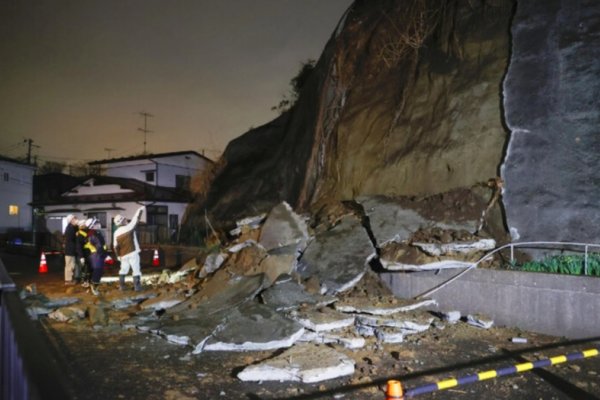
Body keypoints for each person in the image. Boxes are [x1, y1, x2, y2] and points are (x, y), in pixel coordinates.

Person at [113, 206, 145, 291]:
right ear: (123, 221)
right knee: (136, 269)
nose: (126, 220)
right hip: (133, 252)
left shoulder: (116, 233)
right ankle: (137, 287)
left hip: (123, 255)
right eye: (124, 219)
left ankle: (122, 286)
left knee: (123, 269)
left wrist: (118, 256)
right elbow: (136, 218)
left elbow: (115, 246)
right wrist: (140, 209)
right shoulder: (129, 227)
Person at [83, 218, 108, 296]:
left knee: (95, 272)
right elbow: (99, 246)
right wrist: (105, 255)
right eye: (96, 223)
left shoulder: (94, 233)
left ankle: (92, 287)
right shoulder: (94, 234)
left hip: (96, 255)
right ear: (92, 226)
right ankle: (94, 288)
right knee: (98, 272)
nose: (98, 224)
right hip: (97, 256)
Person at [63, 214, 79, 285]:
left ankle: (70, 279)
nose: (76, 219)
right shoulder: (70, 228)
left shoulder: (72, 227)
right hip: (69, 250)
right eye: (74, 218)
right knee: (69, 265)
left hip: (71, 250)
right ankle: (68, 280)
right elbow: (72, 239)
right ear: (71, 220)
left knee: (72, 265)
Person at [76, 219, 91, 287]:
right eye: (84, 224)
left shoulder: (86, 231)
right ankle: (85, 281)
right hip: (85, 253)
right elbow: (79, 246)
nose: (85, 225)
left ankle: (88, 281)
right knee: (85, 268)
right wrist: (81, 256)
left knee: (88, 268)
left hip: (89, 253)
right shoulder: (80, 234)